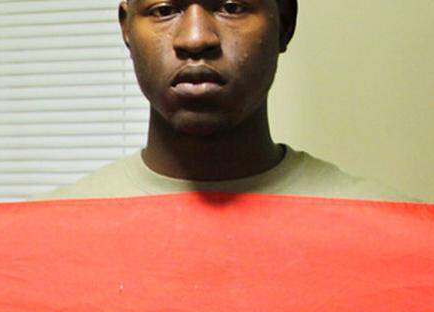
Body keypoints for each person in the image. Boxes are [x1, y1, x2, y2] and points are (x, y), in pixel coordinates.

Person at [44, 0, 398, 201]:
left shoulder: (389, 233)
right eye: (165, 10)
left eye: (231, 6)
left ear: (284, 23)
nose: (196, 38)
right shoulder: (46, 238)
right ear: (126, 30)